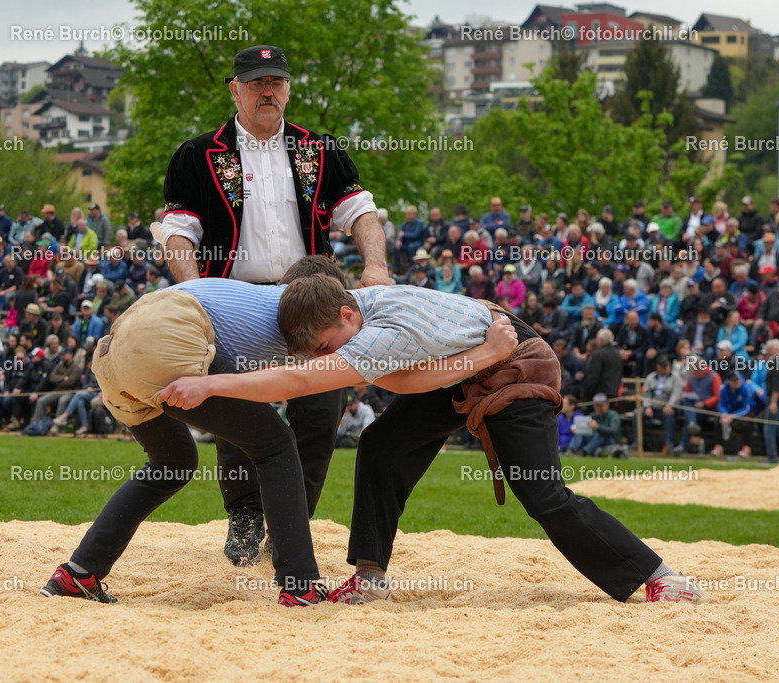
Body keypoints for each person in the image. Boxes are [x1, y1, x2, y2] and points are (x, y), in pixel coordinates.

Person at [162, 275, 707, 605]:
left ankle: (659, 577)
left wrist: (210, 383)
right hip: (470, 363)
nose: (329, 357)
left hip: (516, 364)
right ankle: (370, 576)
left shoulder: (385, 328)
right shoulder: (362, 307)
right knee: (380, 443)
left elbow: (310, 381)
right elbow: (405, 380)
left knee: (542, 494)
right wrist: (478, 356)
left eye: (330, 344)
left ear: (347, 312)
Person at [41, 264, 509, 606]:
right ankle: (300, 585)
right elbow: (296, 382)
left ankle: (78, 573)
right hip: (170, 334)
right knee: (276, 446)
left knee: (172, 464)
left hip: (115, 347)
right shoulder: (305, 317)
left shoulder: (255, 297)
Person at [154, 45, 392, 567]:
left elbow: (362, 211)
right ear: (235, 89)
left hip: (313, 296)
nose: (269, 91)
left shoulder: (320, 150)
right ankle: (244, 515)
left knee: (319, 412)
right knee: (241, 407)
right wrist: (194, 294)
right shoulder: (198, 154)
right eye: (257, 82)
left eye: (277, 82)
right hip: (237, 298)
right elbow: (178, 231)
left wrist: (375, 265)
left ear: (288, 89)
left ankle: (291, 521)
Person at [636, 356, 683, 454]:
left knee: (669, 415)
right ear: (658, 367)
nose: (665, 368)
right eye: (663, 367)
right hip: (652, 407)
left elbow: (676, 394)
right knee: (637, 413)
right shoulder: (651, 377)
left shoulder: (676, 378)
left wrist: (670, 405)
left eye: (666, 366)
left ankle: (669, 445)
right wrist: (647, 406)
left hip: (668, 407)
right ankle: (637, 443)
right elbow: (646, 393)